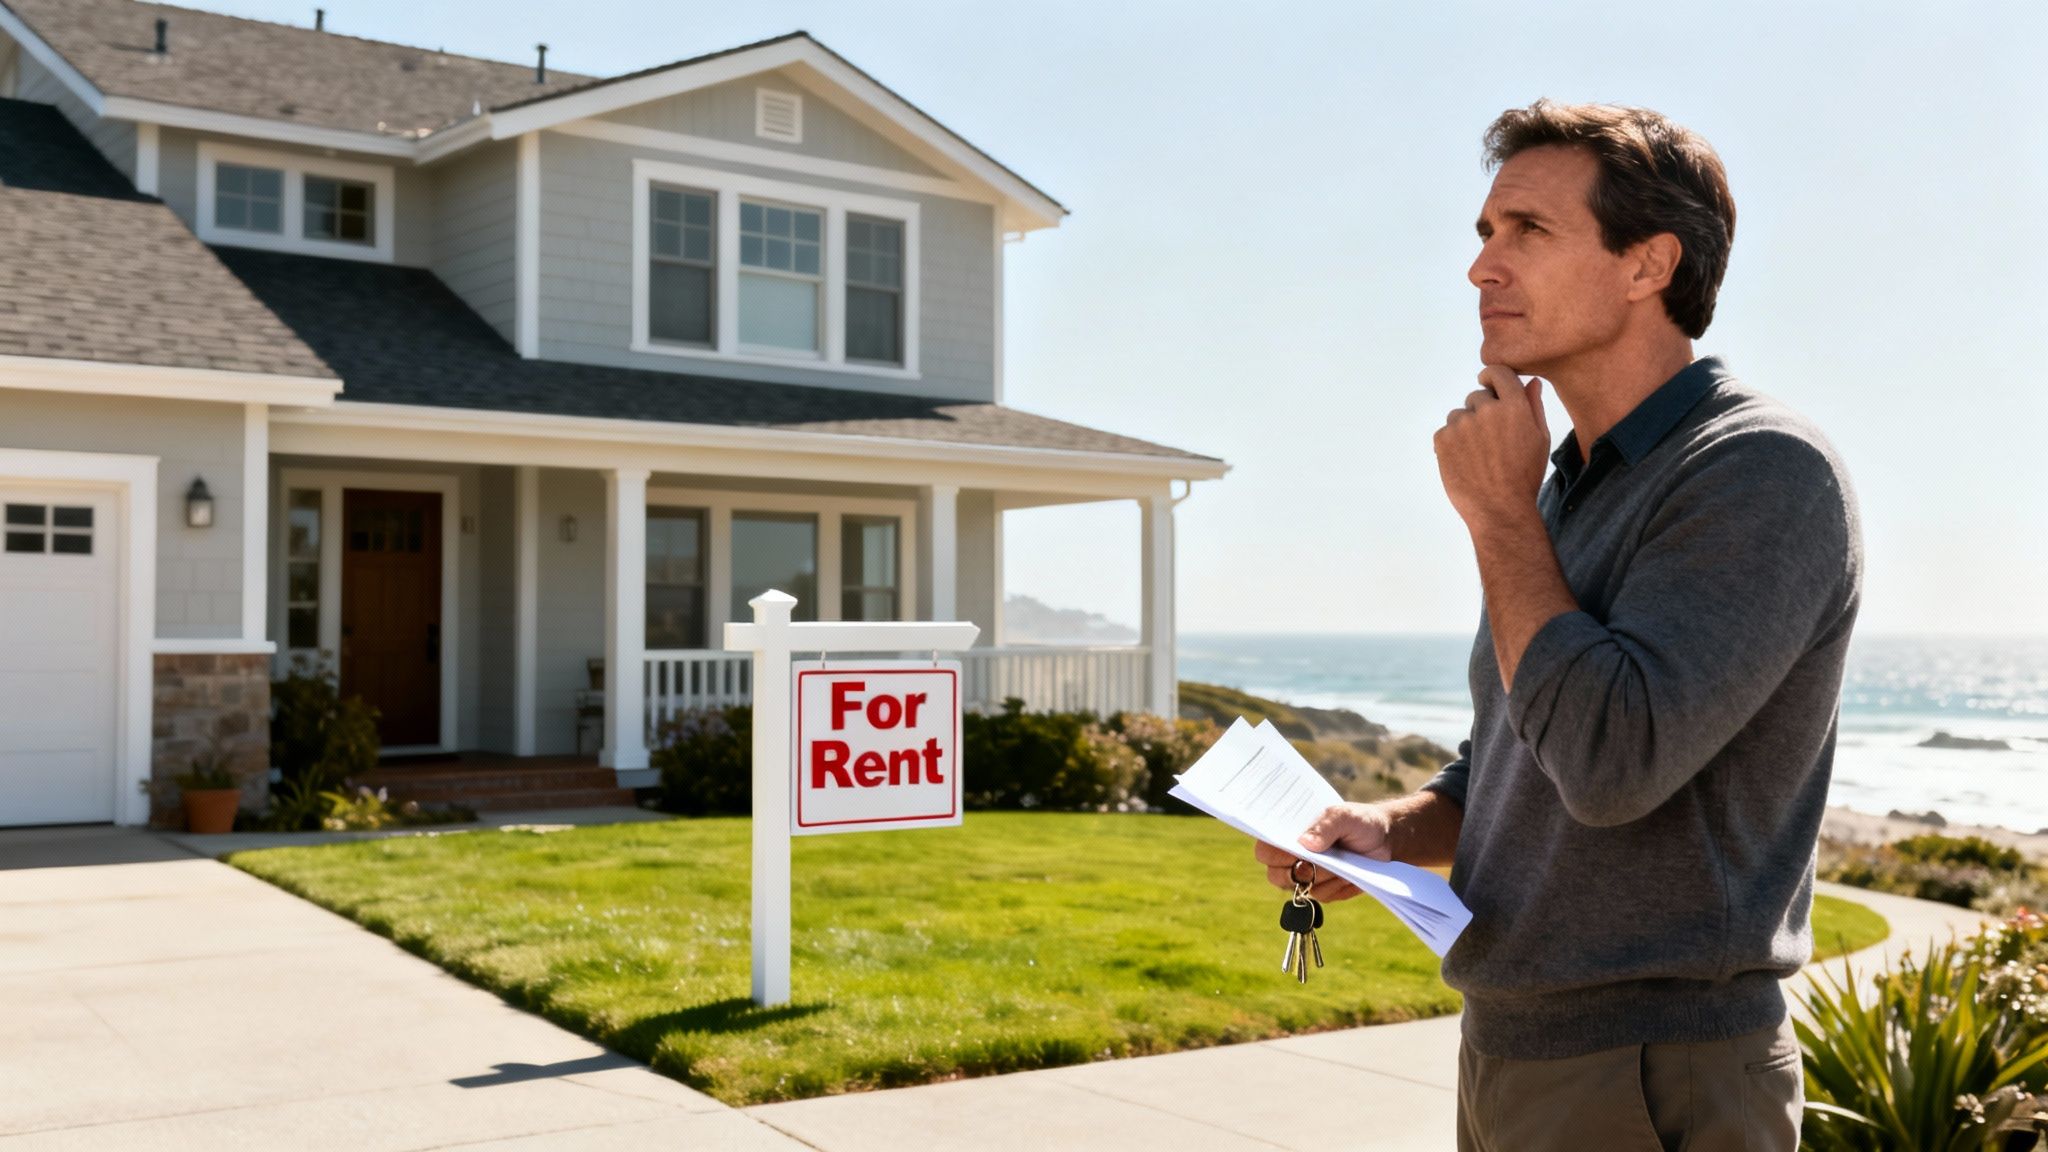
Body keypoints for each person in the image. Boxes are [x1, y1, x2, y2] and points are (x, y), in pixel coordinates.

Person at [1254, 99, 1863, 1151]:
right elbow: (1516, 754)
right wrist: (1389, 833)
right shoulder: (1563, 490)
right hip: (1513, 1050)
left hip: (1652, 1068)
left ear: (1647, 263)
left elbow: (1610, 760)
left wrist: (1494, 515)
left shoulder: (1759, 471)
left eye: (1526, 231)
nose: (1481, 267)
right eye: (1484, 234)